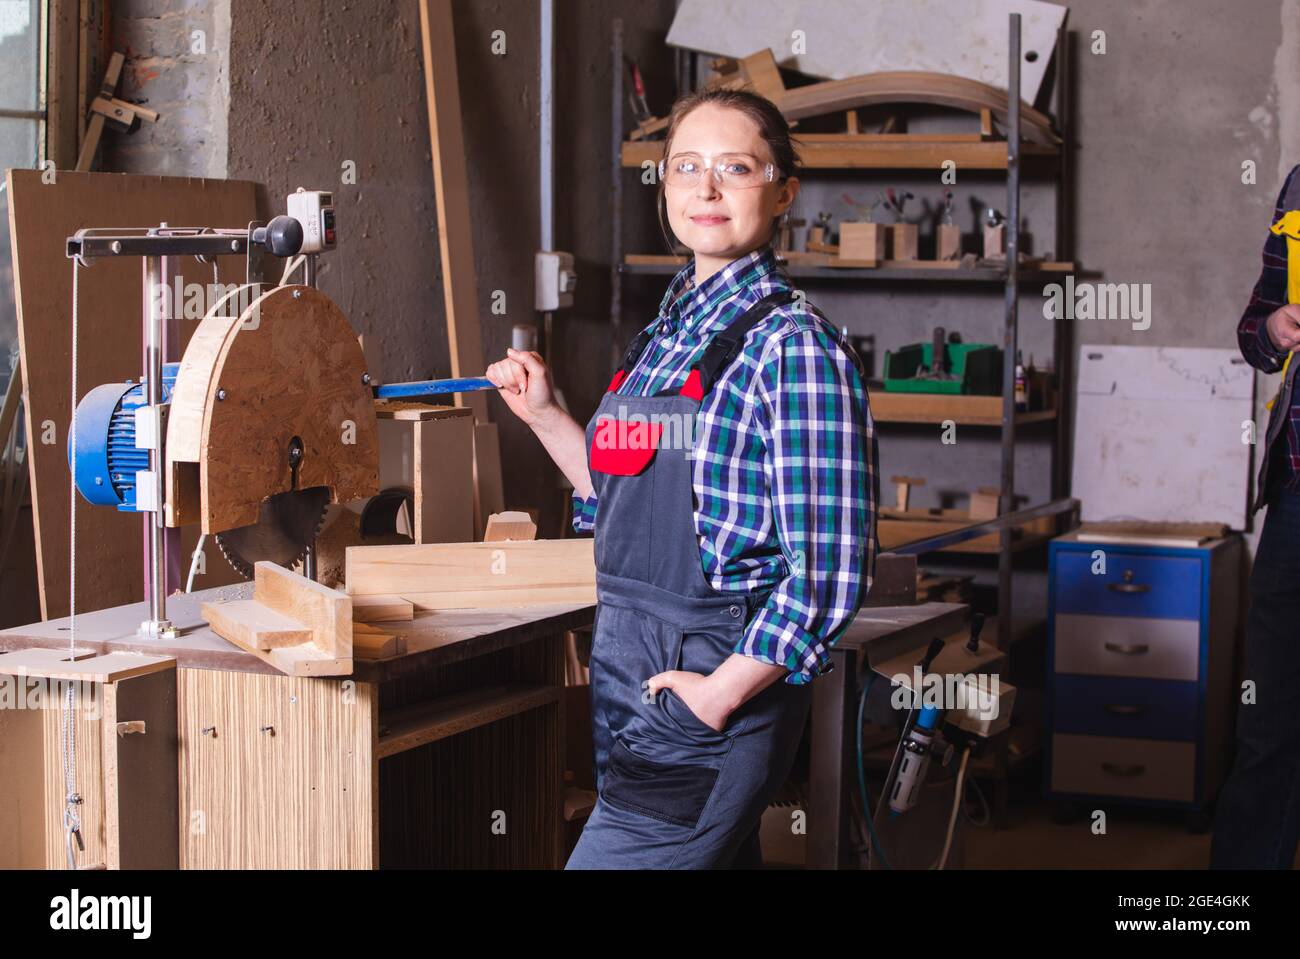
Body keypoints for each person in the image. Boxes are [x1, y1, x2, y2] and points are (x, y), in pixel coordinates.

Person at [486, 88, 877, 868]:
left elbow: (831, 571)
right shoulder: (665, 336)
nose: (706, 188)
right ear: (663, 185)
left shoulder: (792, 349)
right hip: (630, 658)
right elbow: (622, 496)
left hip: (708, 676)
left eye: (736, 167)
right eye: (686, 167)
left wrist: (719, 695)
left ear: (784, 191)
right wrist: (548, 417)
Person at [1213, 162, 1300, 868]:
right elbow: (1253, 330)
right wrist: (1272, 325)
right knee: (1271, 719)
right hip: (1297, 491)